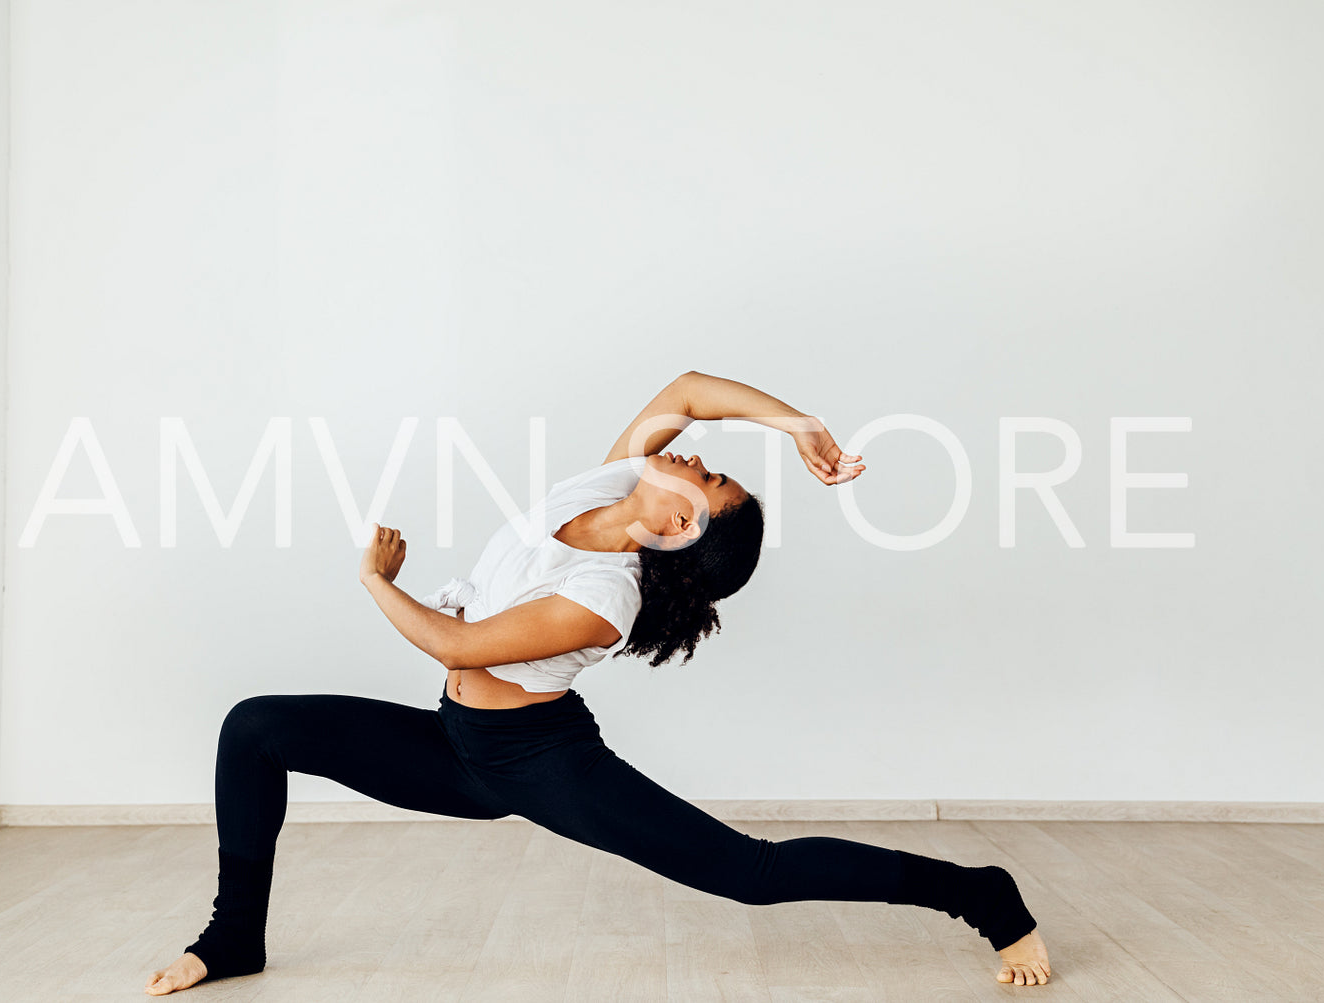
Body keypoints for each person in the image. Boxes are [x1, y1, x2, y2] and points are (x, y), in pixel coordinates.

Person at [145, 370, 1052, 994]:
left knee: (749, 873)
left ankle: (980, 891)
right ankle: (234, 937)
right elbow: (691, 390)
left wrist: (378, 580)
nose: (694, 458)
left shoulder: (604, 595)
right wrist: (798, 426)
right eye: (711, 462)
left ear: (679, 530)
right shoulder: (612, 480)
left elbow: (460, 649)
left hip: (539, 760)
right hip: (455, 748)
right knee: (254, 725)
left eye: (709, 481)